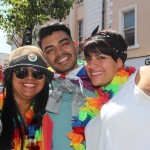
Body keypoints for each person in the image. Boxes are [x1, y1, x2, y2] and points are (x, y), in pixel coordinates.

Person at [81, 29, 150, 150]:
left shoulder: (138, 82)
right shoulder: (94, 106)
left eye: (101, 57)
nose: (91, 65)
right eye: (88, 59)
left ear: (119, 62)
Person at [37, 22, 96, 150]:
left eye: (64, 44)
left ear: (75, 45)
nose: (59, 53)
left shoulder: (99, 78)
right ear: (45, 58)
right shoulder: (40, 87)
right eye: (50, 50)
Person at [0, 45, 54, 150]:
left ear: (45, 80)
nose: (30, 77)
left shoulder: (50, 113)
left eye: (37, 73)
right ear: (10, 76)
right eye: (21, 72)